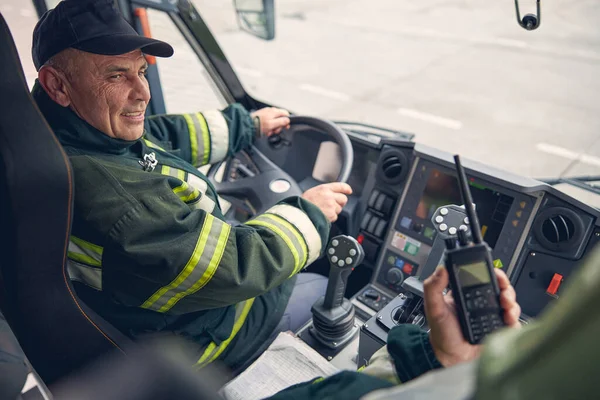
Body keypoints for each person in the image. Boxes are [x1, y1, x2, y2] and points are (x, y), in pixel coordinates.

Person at [31, 0, 352, 372]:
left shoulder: (66, 130)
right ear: (57, 84)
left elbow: (157, 135)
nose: (143, 93)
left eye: (141, 71)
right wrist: (308, 215)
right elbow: (235, 266)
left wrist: (244, 126)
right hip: (201, 338)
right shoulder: (114, 197)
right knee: (314, 283)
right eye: (116, 76)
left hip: (148, 311)